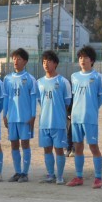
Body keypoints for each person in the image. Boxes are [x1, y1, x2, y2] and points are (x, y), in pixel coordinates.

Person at [67, 45, 102, 188]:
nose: (82, 60)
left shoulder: (98, 77)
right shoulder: (74, 76)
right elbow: (73, 97)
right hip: (76, 117)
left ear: (92, 60)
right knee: (78, 147)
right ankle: (78, 176)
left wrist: (92, 109)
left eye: (86, 57)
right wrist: (71, 112)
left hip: (90, 117)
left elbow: (100, 97)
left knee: (93, 147)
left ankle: (98, 178)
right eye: (80, 58)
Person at [3, 48, 38, 183]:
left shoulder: (30, 79)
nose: (16, 61)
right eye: (14, 58)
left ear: (25, 61)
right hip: (12, 118)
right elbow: (6, 98)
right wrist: (4, 114)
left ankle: (25, 173)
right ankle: (17, 172)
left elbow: (33, 99)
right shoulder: (7, 79)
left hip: (25, 118)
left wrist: (33, 115)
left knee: (25, 144)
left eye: (19, 59)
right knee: (14, 144)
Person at [36, 50, 72, 185]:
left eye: (49, 61)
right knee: (47, 149)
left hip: (58, 122)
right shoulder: (39, 82)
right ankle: (50, 174)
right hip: (44, 122)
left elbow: (67, 103)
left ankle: (60, 176)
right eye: (44, 62)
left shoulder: (63, 81)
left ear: (55, 63)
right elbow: (40, 101)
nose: (46, 64)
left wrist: (60, 114)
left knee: (59, 149)